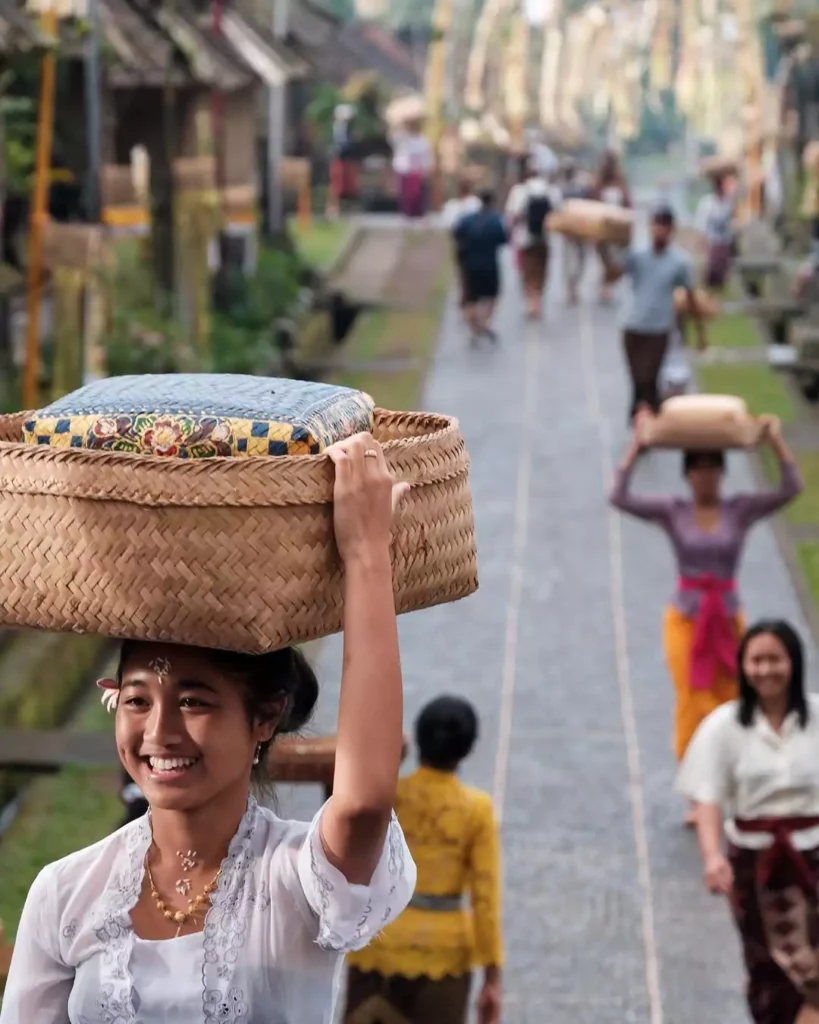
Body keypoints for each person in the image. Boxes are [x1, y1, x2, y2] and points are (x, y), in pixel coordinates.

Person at [0, 432, 417, 1024]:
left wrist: (367, 558)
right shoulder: (66, 892)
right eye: (138, 699)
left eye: (194, 701)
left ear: (265, 716)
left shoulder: (298, 879)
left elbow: (365, 802)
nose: (159, 732)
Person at [610, 419, 803, 824]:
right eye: (698, 471)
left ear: (722, 473)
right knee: (692, 699)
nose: (705, 479)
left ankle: (733, 783)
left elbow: (790, 489)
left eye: (713, 471)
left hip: (728, 617)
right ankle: (699, 794)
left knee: (733, 699)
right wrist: (636, 446)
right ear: (687, 476)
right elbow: (619, 497)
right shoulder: (673, 510)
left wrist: (776, 441)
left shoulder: (740, 509)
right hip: (686, 617)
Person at [678, 619, 819, 1024]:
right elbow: (708, 797)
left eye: (775, 659)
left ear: (793, 663)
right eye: (756, 661)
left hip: (814, 858)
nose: (766, 670)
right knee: (771, 972)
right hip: (757, 869)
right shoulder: (724, 727)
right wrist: (711, 856)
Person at [344, 696, 503, 1024]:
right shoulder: (477, 810)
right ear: (468, 748)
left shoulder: (389, 797)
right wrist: (492, 976)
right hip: (444, 959)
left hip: (377, 946)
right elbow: (485, 899)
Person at [606, 206, 706, 424]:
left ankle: (645, 422)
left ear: (670, 230)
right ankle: (646, 420)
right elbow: (613, 275)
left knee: (648, 378)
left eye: (663, 227)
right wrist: (606, 248)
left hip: (658, 330)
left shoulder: (680, 262)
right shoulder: (637, 254)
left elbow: (691, 298)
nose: (658, 231)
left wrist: (699, 333)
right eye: (655, 225)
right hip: (632, 325)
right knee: (637, 381)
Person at [504, 157, 556, 320]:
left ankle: (531, 302)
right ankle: (537, 301)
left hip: (525, 239)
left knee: (528, 272)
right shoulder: (550, 190)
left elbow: (513, 215)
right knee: (541, 271)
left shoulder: (519, 191)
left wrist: (511, 235)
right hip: (546, 239)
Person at [454, 190, 509, 344]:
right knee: (491, 297)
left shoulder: (466, 220)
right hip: (490, 265)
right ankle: (483, 324)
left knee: (470, 298)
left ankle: (474, 327)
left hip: (469, 266)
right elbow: (504, 240)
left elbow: (456, 236)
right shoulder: (496, 220)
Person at [593, 149, 632, 303]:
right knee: (606, 261)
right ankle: (605, 287)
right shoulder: (598, 183)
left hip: (618, 230)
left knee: (618, 263)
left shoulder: (621, 181)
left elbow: (628, 203)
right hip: (602, 229)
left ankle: (607, 284)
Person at [442, 179, 481, 314]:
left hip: (461, 242)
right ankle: (469, 294)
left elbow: (448, 226)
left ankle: (466, 293)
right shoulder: (474, 203)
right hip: (473, 242)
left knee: (462, 270)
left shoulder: (452, 206)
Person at [694, 173, 738, 291]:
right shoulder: (707, 203)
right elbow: (702, 225)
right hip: (712, 244)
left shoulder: (728, 203)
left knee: (723, 273)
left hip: (725, 243)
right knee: (711, 273)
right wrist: (703, 245)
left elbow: (732, 223)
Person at [559, 161, 594, 306]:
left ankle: (572, 286)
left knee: (577, 261)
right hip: (571, 232)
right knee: (574, 261)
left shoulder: (580, 187)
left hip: (580, 231)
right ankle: (571, 287)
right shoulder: (563, 189)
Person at [392, 117, 434, 222]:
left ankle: (420, 213)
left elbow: (427, 154)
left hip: (418, 170)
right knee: (405, 193)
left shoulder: (423, 140)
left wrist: (427, 167)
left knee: (420, 193)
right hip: (405, 169)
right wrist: (400, 125)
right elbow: (393, 140)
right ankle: (406, 213)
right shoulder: (402, 138)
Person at [326, 104, 357, 221]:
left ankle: (344, 209)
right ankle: (333, 209)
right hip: (338, 158)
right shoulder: (337, 128)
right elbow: (338, 144)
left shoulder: (349, 129)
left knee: (347, 185)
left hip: (347, 158)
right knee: (336, 184)